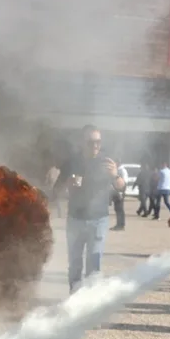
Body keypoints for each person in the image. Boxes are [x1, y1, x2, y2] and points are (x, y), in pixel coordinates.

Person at [54, 125, 125, 293]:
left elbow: (121, 187)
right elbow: (56, 190)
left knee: (94, 262)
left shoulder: (106, 162)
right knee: (75, 263)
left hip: (99, 219)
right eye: (91, 142)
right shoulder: (71, 162)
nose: (95, 146)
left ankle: (90, 303)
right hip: (75, 219)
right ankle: (74, 297)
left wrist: (115, 174)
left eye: (98, 142)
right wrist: (67, 185)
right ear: (81, 142)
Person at [110, 161, 129, 231]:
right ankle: (119, 224)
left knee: (119, 209)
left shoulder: (122, 171)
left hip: (120, 191)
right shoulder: (118, 170)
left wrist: (121, 192)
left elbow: (125, 182)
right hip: (117, 191)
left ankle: (121, 225)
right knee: (117, 208)